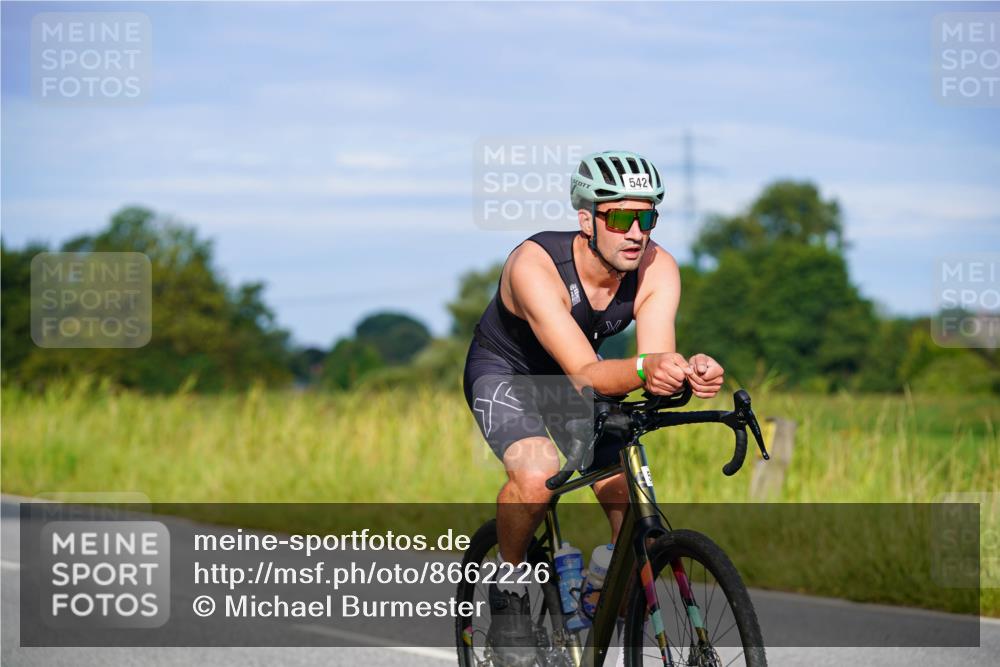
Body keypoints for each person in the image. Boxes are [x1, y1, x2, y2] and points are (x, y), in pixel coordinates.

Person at [462, 150, 725, 664]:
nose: (636, 232)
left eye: (647, 216)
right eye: (621, 217)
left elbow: (652, 368)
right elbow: (589, 372)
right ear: (586, 220)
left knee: (622, 485)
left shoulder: (658, 268)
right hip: (507, 371)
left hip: (572, 376)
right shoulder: (535, 265)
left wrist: (687, 374)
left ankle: (605, 581)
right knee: (537, 476)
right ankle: (510, 590)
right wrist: (653, 368)